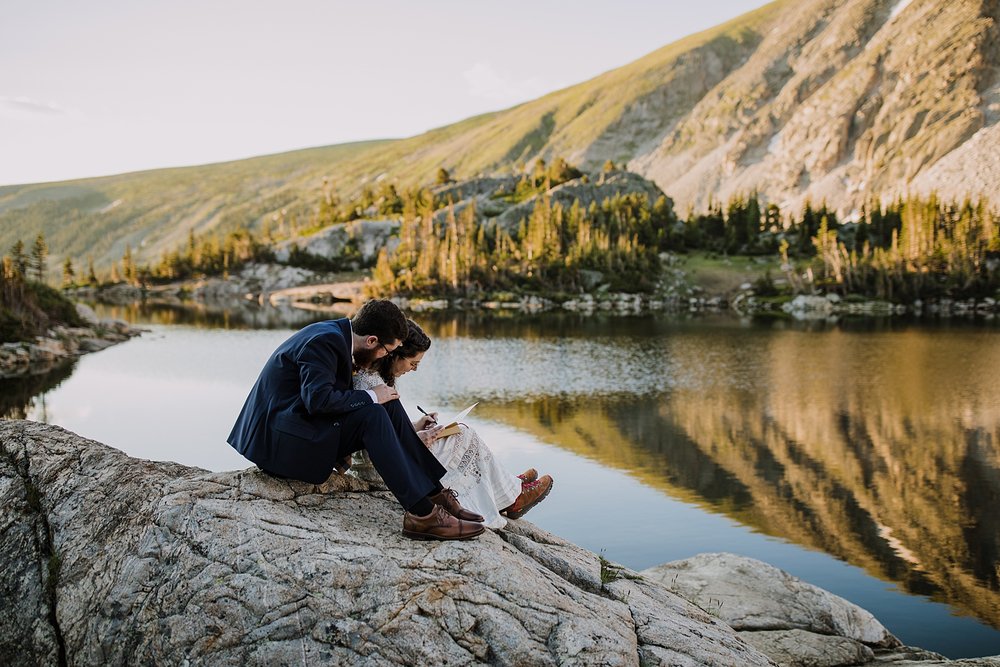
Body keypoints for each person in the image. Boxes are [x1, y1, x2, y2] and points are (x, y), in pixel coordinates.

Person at [227, 299, 485, 541]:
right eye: (387, 351)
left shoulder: (337, 334)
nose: (385, 358)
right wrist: (372, 395)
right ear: (372, 340)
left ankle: (433, 493)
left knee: (388, 402)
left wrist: (376, 397)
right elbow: (317, 401)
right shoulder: (324, 342)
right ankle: (422, 515)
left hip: (297, 428)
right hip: (277, 448)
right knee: (373, 409)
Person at [353, 319, 553, 529]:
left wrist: (418, 425)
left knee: (461, 432)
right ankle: (512, 496)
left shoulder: (376, 377)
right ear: (394, 353)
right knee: (464, 435)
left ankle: (507, 486)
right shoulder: (371, 384)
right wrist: (417, 439)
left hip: (390, 455)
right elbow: (375, 441)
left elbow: (386, 428)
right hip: (382, 467)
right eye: (413, 364)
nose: (414, 370)